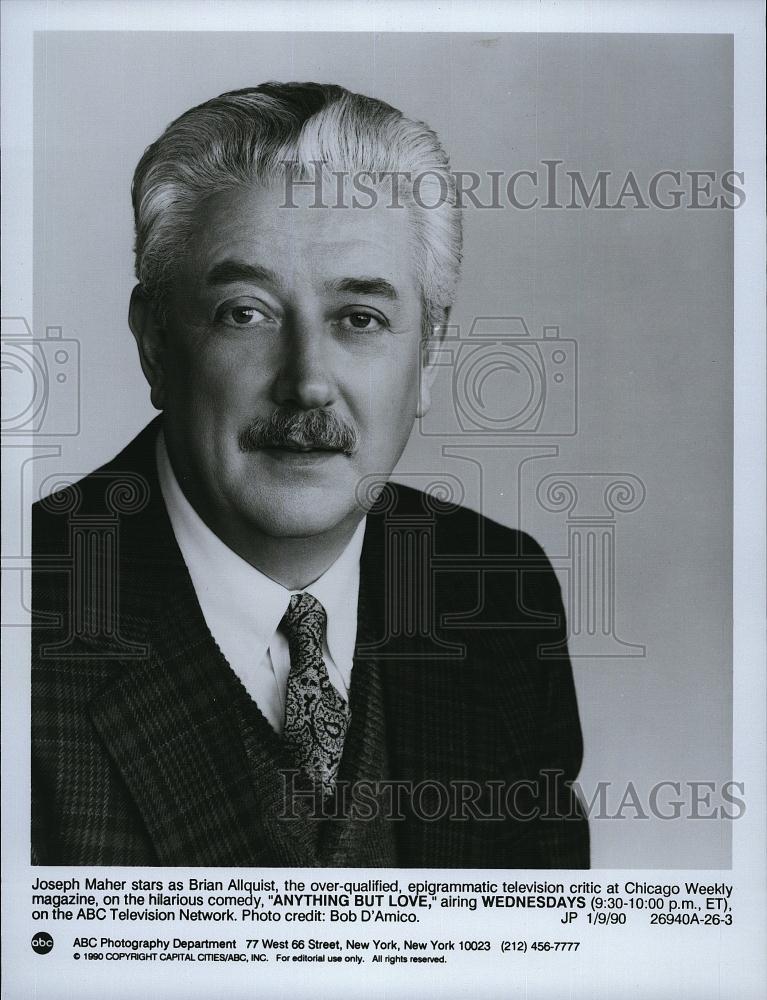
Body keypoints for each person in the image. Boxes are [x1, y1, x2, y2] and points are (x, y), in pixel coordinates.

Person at [31, 82, 589, 867]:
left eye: (359, 318)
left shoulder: (495, 592)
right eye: (245, 312)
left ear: (427, 357)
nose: (307, 383)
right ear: (156, 344)